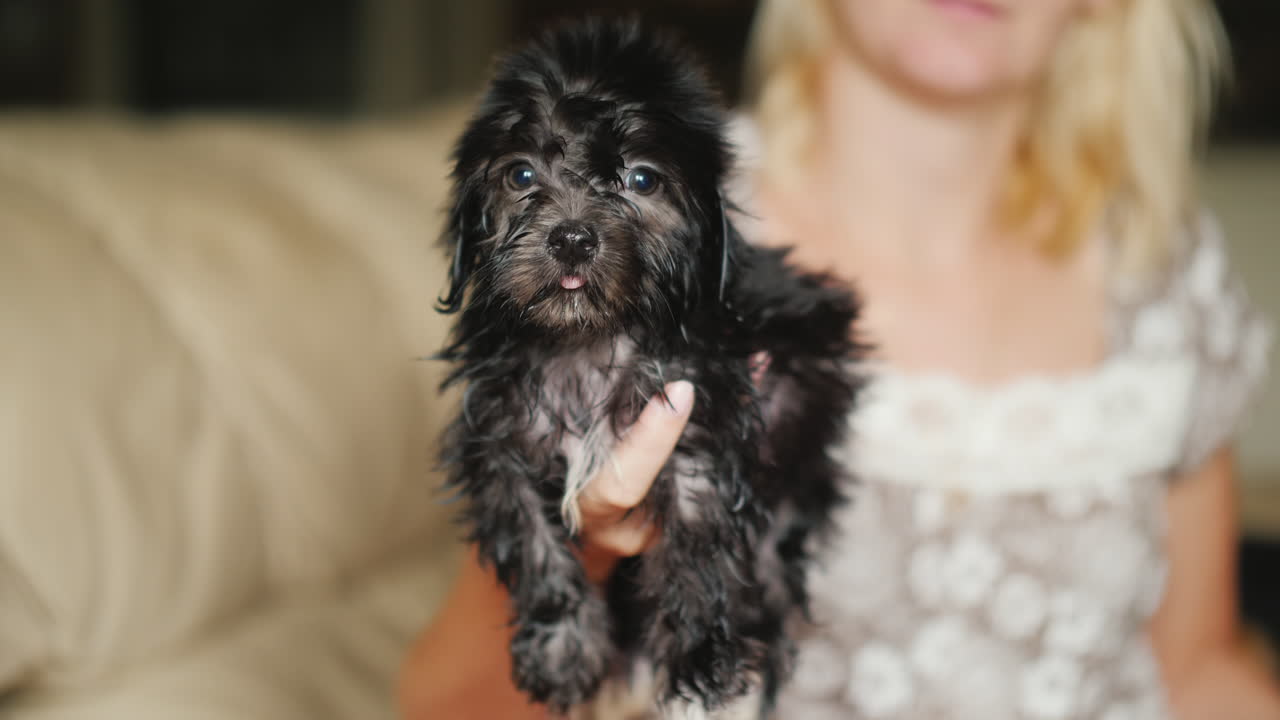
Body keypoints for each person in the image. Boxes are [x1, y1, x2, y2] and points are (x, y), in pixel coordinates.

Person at [400, 0, 1280, 717]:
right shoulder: (649, 216)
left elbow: (1195, 670)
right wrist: (584, 552)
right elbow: (447, 706)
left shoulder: (1164, 275)